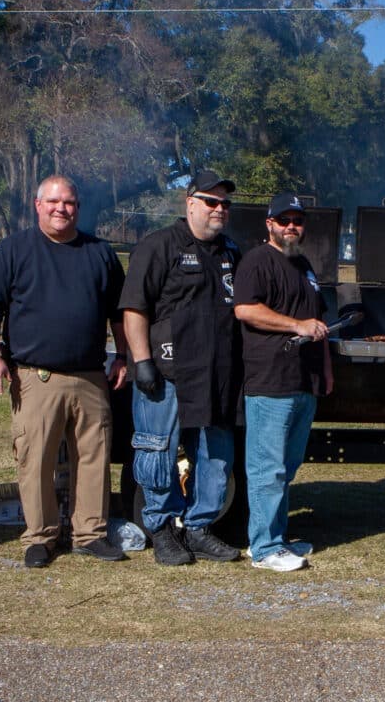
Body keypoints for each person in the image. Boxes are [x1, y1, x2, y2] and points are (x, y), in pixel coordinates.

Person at [0, 175, 130, 569]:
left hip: (91, 376)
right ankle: (40, 537)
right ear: (37, 204)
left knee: (94, 458)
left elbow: (118, 313)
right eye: (54, 202)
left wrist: (124, 355)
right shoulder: (14, 250)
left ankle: (90, 534)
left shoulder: (100, 253)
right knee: (36, 459)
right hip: (36, 377)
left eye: (70, 203)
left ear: (78, 207)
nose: (62, 209)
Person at [120, 170, 243, 566]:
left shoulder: (231, 253)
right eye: (211, 201)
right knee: (158, 452)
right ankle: (162, 529)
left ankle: (200, 527)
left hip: (217, 376)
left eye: (225, 203)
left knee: (216, 456)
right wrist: (141, 362)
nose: (219, 209)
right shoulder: (158, 247)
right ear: (189, 203)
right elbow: (135, 308)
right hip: (167, 374)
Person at [233, 193, 332, 572]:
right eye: (284, 220)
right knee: (267, 468)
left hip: (304, 381)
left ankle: (279, 537)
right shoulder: (256, 261)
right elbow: (245, 309)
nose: (292, 226)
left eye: (298, 221)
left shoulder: (304, 266)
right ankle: (263, 548)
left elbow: (317, 321)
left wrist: (325, 371)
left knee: (287, 468)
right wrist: (295, 325)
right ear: (269, 224)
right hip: (270, 381)